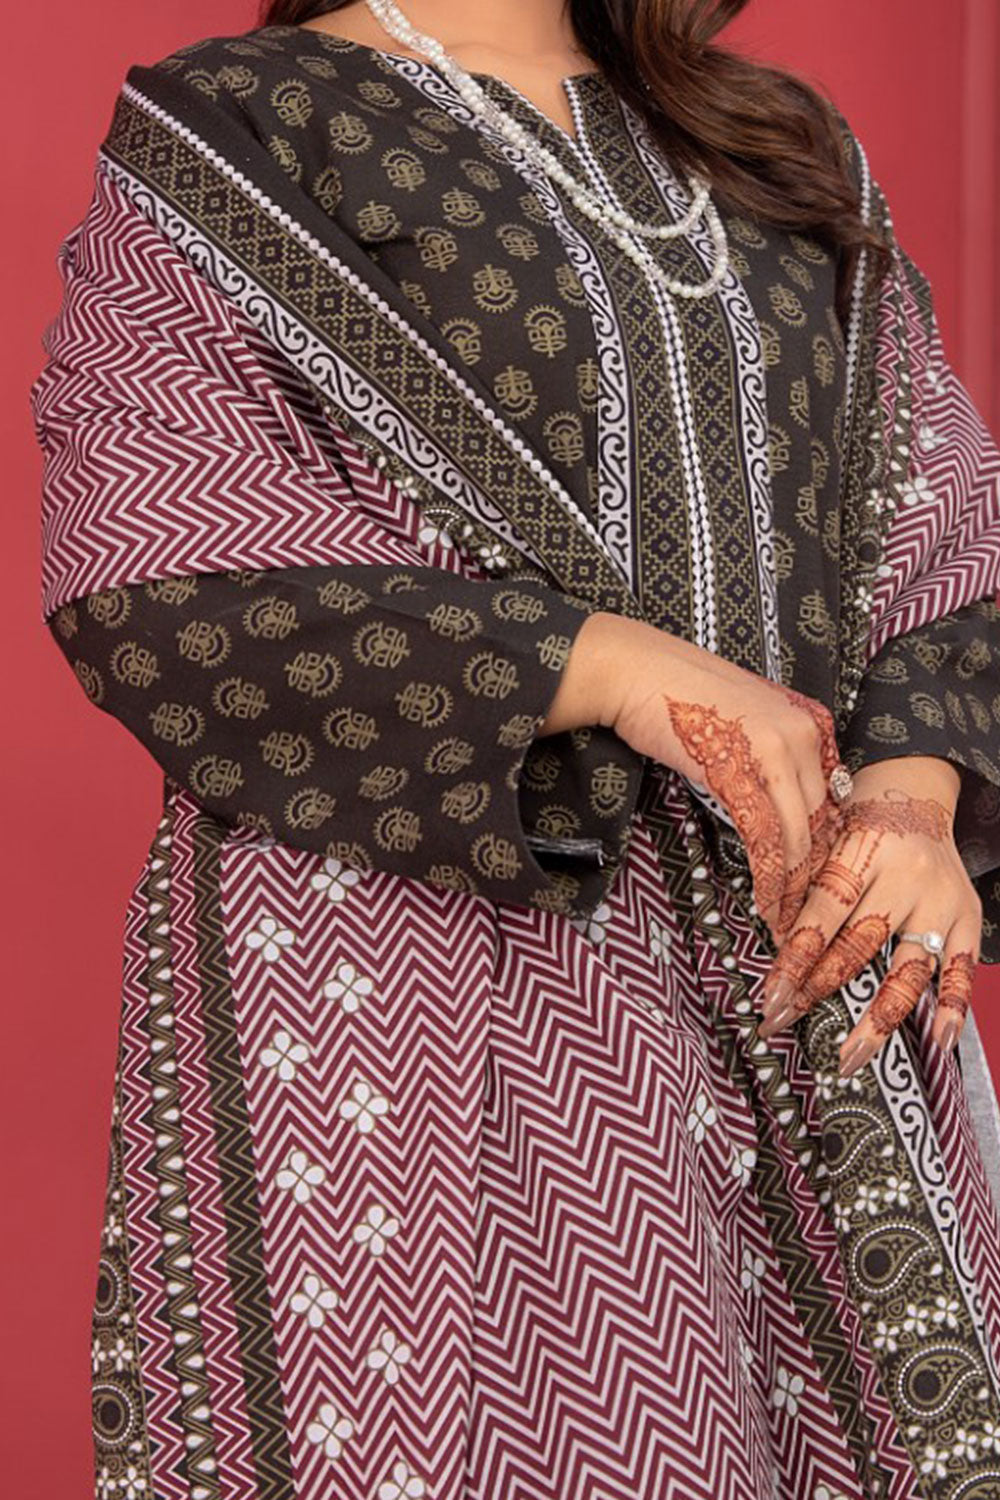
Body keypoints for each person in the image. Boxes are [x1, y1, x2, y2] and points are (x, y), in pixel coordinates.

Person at [30, 0, 1000, 1494]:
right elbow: (153, 554)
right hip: (422, 979)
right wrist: (621, 668)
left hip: (810, 956)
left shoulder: (771, 139)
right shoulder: (236, 125)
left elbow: (936, 514)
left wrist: (914, 798)